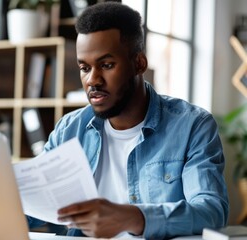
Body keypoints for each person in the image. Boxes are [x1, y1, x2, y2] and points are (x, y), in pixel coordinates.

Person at [28, 2, 229, 239]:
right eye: (84, 67)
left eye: (106, 65)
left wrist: (133, 217)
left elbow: (211, 211)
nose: (93, 80)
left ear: (139, 63)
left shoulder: (192, 126)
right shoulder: (69, 129)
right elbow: (36, 204)